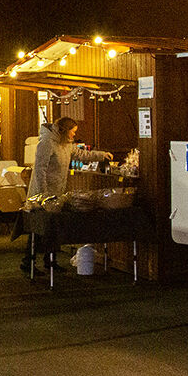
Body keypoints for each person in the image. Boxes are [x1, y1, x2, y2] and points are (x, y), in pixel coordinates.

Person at [23, 117, 113, 273]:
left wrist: (101, 155)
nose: (74, 134)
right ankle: (29, 262)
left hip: (57, 191)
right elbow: (39, 170)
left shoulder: (66, 144)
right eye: (73, 131)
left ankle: (49, 260)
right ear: (65, 130)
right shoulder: (46, 143)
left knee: (52, 228)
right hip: (42, 194)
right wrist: (43, 193)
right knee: (38, 228)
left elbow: (80, 154)